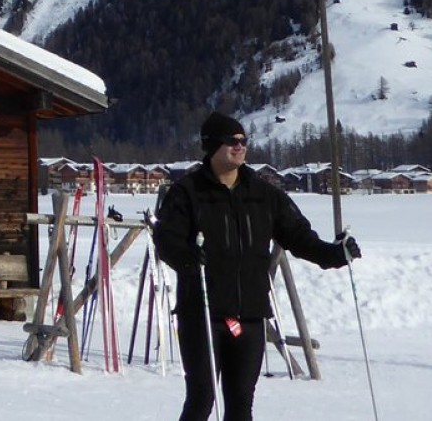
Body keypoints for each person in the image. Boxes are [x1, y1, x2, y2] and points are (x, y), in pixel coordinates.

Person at [154, 112, 363, 421]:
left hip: (250, 314)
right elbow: (165, 238)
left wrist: (334, 254)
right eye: (231, 141)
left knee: (241, 404)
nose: (240, 147)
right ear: (212, 146)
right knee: (201, 398)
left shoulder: (264, 195)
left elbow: (298, 236)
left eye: (243, 141)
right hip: (203, 314)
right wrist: (185, 256)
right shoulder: (188, 192)